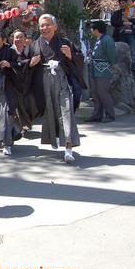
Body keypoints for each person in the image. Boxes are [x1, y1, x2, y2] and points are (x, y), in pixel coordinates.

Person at [25, 14, 86, 162]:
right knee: (50, 111)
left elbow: (79, 58)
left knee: (65, 111)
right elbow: (24, 62)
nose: (44, 28)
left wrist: (71, 55)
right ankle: (54, 140)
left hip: (62, 80)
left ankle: (68, 147)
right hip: (43, 82)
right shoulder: (34, 45)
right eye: (42, 25)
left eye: (47, 25)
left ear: (55, 26)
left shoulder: (64, 42)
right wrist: (30, 63)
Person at [86, 21, 118, 123]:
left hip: (104, 70)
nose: (91, 31)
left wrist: (114, 64)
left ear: (96, 29)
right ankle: (97, 115)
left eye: (92, 29)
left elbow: (112, 54)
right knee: (95, 92)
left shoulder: (107, 39)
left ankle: (110, 115)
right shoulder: (99, 39)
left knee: (103, 92)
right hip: (95, 69)